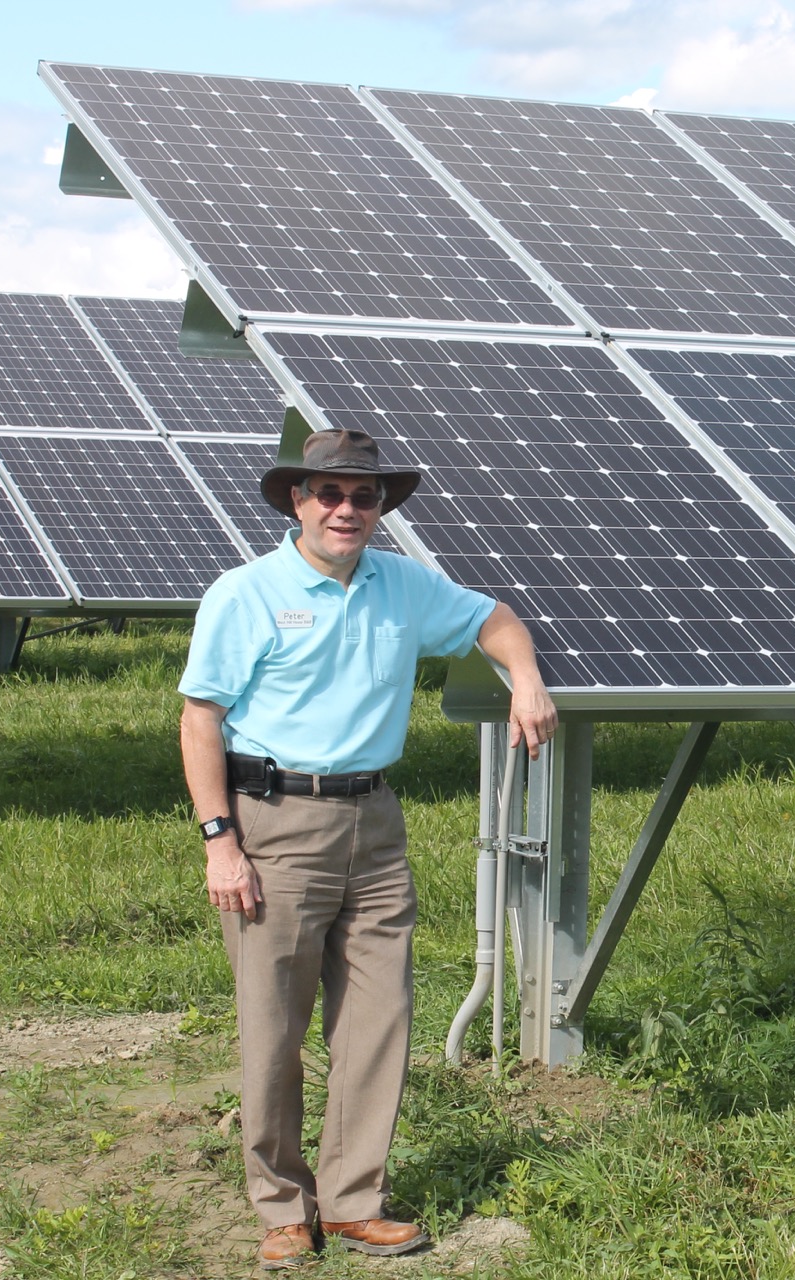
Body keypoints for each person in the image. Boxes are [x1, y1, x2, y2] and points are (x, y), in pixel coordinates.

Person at [178, 428, 557, 1270]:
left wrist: (524, 676)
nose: (347, 509)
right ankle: (282, 1206)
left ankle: (353, 1201)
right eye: (330, 494)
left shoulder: (402, 586)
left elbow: (493, 618)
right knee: (273, 1024)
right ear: (297, 501)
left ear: (381, 507)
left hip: (377, 823)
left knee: (380, 1017)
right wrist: (220, 842)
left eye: (365, 496)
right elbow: (200, 717)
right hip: (276, 822)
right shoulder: (244, 594)